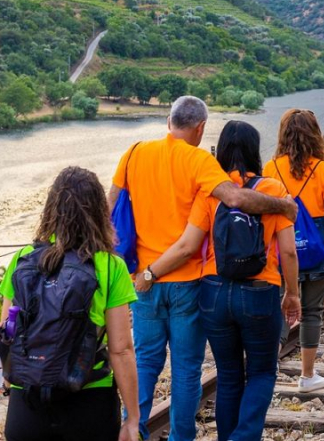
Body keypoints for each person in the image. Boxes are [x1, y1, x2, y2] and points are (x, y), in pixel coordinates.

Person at [108, 96, 296, 441]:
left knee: (146, 362)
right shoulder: (199, 161)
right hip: (187, 281)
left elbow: (108, 210)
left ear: (169, 120)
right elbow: (237, 199)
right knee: (185, 368)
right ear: (201, 127)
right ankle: (182, 437)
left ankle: (133, 428)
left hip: (142, 280)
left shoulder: (133, 153)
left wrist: (138, 273)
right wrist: (284, 206)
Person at [0, 166, 139, 441]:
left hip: (27, 403)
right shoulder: (110, 267)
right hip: (89, 403)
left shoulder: (23, 259)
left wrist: (9, 381)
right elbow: (121, 350)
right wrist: (132, 419)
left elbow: (8, 332)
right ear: (99, 212)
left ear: (50, 209)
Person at [264, 109, 324, 392]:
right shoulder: (323, 169)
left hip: (281, 245)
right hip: (318, 245)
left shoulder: (271, 169)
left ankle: (267, 368)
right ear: (315, 134)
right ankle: (307, 376)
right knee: (312, 310)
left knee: (278, 307)